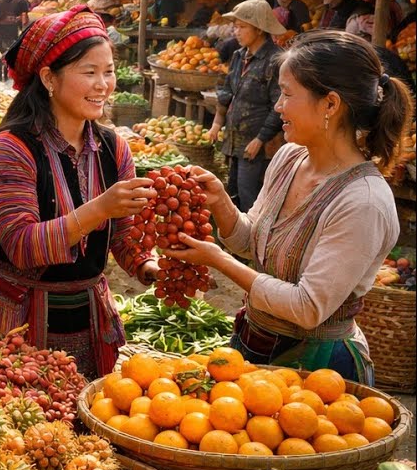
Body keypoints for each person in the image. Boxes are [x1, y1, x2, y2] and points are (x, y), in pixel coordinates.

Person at [164, 30, 413, 383]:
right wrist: (220, 201)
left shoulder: (363, 201)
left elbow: (307, 308)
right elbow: (252, 243)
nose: (278, 105)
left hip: (320, 372)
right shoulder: (289, 158)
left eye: (287, 94)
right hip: (254, 344)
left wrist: (218, 261)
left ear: (330, 104)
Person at [0, 5, 159, 378]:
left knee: (80, 429)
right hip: (12, 324)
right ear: (49, 78)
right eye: (90, 72)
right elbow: (21, 245)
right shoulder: (11, 148)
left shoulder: (114, 147)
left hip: (86, 319)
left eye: (109, 72)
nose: (103, 84)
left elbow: (124, 233)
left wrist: (148, 265)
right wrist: (99, 209)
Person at [208, 0, 286, 212]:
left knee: (249, 194)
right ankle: (233, 240)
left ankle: (252, 240)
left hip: (259, 142)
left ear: (259, 29)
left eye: (242, 27)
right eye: (235, 26)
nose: (236, 31)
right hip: (235, 138)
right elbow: (226, 92)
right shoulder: (238, 56)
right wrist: (216, 123)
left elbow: (279, 105)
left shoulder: (275, 60)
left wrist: (260, 139)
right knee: (233, 189)